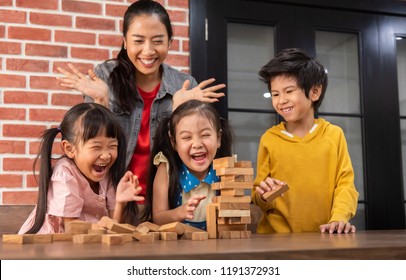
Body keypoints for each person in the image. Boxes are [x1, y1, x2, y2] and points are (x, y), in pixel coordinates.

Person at [56, 0, 226, 220]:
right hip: (115, 202)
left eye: (157, 41)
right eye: (138, 41)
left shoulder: (184, 86)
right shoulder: (105, 78)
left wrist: (179, 110)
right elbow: (96, 144)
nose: (148, 51)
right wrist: (101, 100)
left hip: (164, 206)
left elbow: (187, 152)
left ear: (169, 42)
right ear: (125, 42)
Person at [252, 48, 359, 234]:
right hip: (275, 241)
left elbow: (345, 185)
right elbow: (260, 198)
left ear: (315, 92)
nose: (281, 100)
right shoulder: (269, 139)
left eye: (289, 91)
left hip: (325, 236)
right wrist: (263, 195)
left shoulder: (334, 135)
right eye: (275, 94)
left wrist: (339, 218)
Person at [19, 103, 144, 234]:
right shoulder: (65, 174)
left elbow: (114, 227)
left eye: (112, 146)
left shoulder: (107, 175)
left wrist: (120, 202)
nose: (106, 155)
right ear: (69, 149)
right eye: (96, 147)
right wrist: (104, 229)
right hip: (45, 248)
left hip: (81, 246)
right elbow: (72, 228)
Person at [144, 99, 233, 230]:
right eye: (187, 137)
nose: (197, 144)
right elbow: (158, 218)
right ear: (174, 142)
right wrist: (180, 212)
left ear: (218, 138)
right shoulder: (166, 168)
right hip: (178, 247)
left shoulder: (228, 170)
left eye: (205, 135)